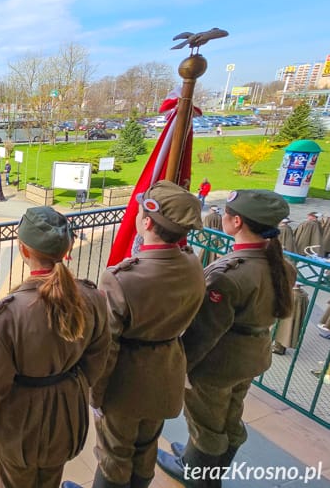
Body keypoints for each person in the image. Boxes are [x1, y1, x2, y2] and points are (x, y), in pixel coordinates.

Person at [63, 181, 206, 488]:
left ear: (147, 222)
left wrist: (96, 394)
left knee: (114, 454)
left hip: (126, 382)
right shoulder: (193, 265)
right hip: (168, 372)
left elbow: (108, 345)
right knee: (146, 447)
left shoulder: (121, 278)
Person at [157, 190, 296, 487]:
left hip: (219, 363)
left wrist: (179, 368)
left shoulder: (228, 275)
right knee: (231, 414)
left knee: (206, 423)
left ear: (236, 222)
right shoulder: (282, 266)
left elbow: (204, 333)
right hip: (253, 355)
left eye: (227, 213)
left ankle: (198, 474)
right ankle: (209, 466)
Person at [0, 207, 110, 488]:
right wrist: (71, 388)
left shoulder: (4, 317)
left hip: (18, 427)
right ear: (67, 249)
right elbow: (97, 360)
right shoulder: (92, 298)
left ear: (23, 249)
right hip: (66, 419)